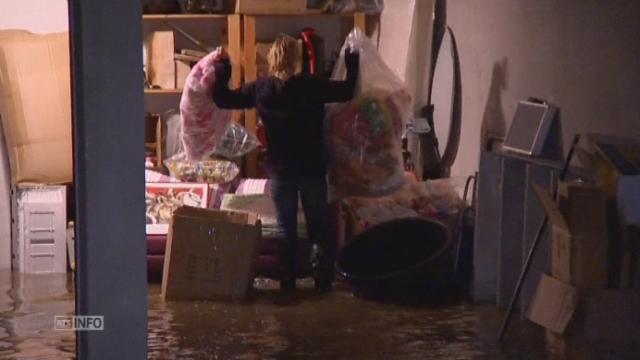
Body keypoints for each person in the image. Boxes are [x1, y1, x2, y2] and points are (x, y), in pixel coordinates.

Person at [213, 34, 359, 292]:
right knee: (318, 228)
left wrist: (223, 68)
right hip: (313, 169)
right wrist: (352, 61)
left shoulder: (261, 89)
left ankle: (288, 282)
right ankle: (322, 281)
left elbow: (223, 98)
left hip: (281, 171)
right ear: (296, 58)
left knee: (286, 228)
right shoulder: (312, 85)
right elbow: (347, 91)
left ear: (271, 58)